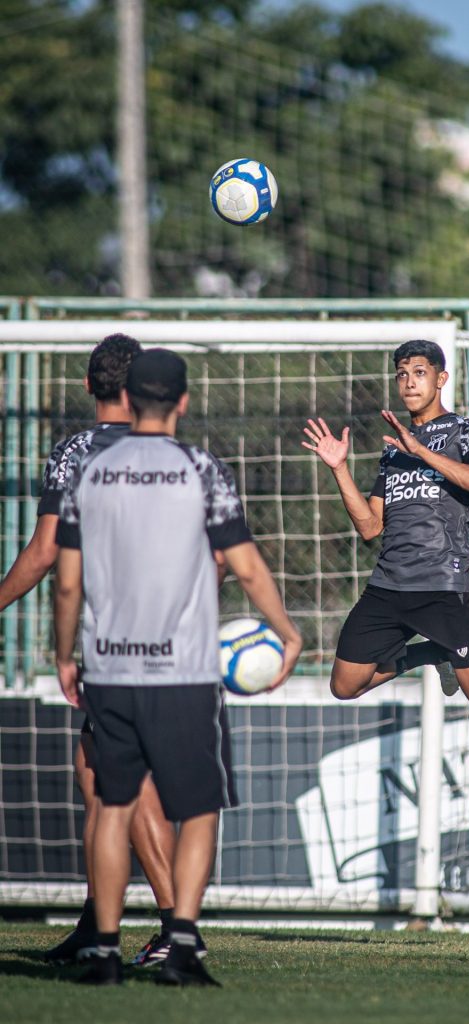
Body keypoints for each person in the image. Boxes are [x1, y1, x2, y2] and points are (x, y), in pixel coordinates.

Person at [54, 348, 302, 986]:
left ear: (127, 399)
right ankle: (182, 946)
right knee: (197, 809)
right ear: (184, 402)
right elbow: (243, 564)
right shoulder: (202, 469)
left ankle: (103, 952)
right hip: (184, 672)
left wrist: (63, 655)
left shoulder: (91, 470)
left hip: (109, 667)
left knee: (111, 806)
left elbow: (67, 582)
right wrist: (286, 632)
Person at [0, 334, 183, 967]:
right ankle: (95, 923)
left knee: (121, 786)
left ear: (89, 387)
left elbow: (44, 553)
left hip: (121, 640)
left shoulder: (77, 451)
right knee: (96, 776)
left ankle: (177, 932)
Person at [302, 338, 469, 712]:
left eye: (419, 373)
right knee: (346, 685)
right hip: (388, 586)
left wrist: (421, 453)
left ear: (440, 378)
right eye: (402, 375)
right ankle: (434, 652)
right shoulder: (394, 448)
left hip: (440, 588)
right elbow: (369, 526)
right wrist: (339, 468)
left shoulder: (464, 431)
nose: (410, 383)